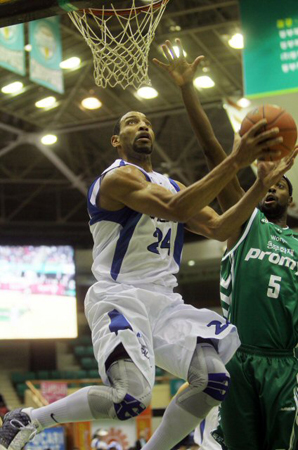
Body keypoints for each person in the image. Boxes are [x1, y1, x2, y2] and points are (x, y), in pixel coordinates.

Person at [0, 43, 295, 450]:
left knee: (213, 381)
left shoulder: (173, 183)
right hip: (119, 297)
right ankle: (28, 418)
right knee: (130, 399)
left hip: (164, 302)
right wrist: (236, 160)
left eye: (146, 122)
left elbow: (222, 226)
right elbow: (176, 209)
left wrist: (259, 185)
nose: (142, 126)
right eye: (130, 122)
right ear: (115, 140)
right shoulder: (116, 179)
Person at [155, 38, 298, 450]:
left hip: (285, 364)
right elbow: (211, 150)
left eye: (281, 184)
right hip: (240, 356)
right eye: (269, 182)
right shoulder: (245, 223)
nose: (272, 187)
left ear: (291, 197)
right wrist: (187, 89)